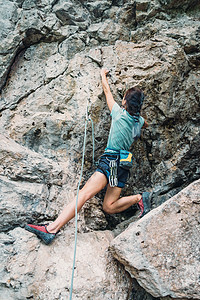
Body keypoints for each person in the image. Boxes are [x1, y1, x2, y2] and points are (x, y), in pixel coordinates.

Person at [25, 68, 151, 245]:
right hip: (123, 165)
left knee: (83, 195)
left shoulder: (118, 114)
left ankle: (51, 229)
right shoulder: (139, 122)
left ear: (124, 102)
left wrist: (102, 74)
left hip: (111, 162)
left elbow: (107, 91)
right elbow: (146, 124)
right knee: (108, 206)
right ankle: (139, 198)